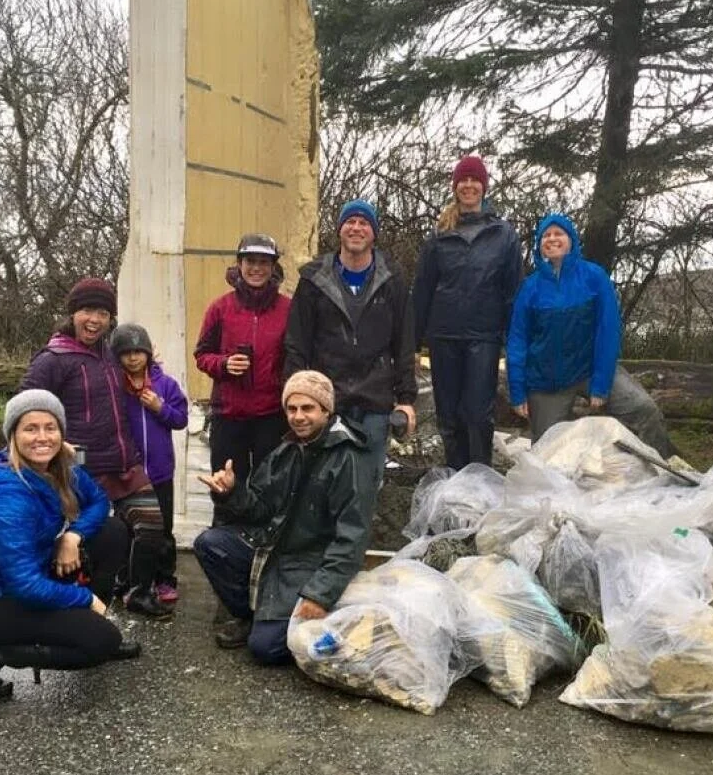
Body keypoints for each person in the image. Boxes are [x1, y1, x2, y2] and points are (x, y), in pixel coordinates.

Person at [0, 390, 141, 700]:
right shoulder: (8, 498)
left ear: (62, 433)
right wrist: (82, 598)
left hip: (27, 578)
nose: (42, 437)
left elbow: (98, 500)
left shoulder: (57, 469)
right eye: (30, 428)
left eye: (50, 428)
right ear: (13, 436)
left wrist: (72, 536)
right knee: (100, 642)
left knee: (112, 531)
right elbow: (25, 585)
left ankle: (89, 622)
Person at [194, 370, 376, 661]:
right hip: (275, 551)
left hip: (311, 563)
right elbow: (259, 509)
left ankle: (321, 616)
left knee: (265, 649)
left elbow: (351, 539)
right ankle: (251, 616)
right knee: (210, 543)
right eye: (292, 409)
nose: (298, 416)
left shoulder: (348, 458)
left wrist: (320, 594)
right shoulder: (287, 450)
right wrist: (230, 492)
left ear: (326, 411)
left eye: (308, 408)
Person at [20, 277, 171, 618]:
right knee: (103, 540)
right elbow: (26, 406)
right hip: (83, 469)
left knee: (151, 526)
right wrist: (52, 446)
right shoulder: (53, 358)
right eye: (88, 310)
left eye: (103, 313)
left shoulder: (110, 353)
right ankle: (90, 609)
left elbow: (143, 365)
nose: (95, 320)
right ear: (73, 313)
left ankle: (139, 592)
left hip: (124, 462)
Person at [506, 212, 678, 458]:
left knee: (643, 409)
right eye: (546, 235)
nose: (552, 239)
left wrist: (600, 385)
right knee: (546, 453)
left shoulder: (594, 277)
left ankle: (667, 465)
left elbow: (608, 331)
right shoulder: (530, 288)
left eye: (559, 234)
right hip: (547, 381)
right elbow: (518, 340)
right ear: (540, 246)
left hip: (590, 369)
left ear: (572, 240)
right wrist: (518, 390)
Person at [284, 198, 417, 487]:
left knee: (366, 485)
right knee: (322, 484)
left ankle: (359, 534)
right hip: (327, 399)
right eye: (350, 222)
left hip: (375, 400)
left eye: (364, 223)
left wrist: (406, 400)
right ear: (340, 229)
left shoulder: (392, 280)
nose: (356, 228)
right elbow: (296, 343)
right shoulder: (313, 280)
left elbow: (404, 344)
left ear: (374, 232)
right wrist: (295, 396)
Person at [412, 156, 524, 470]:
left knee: (477, 413)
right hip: (443, 335)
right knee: (448, 414)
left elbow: (513, 292)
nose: (469, 185)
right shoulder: (439, 236)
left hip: (483, 337)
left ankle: (480, 478)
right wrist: (411, 345)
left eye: (475, 180)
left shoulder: (503, 234)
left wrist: (511, 340)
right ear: (456, 186)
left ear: (484, 187)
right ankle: (455, 478)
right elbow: (422, 291)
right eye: (464, 180)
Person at [194, 233, 292, 517]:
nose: (256, 268)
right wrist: (224, 364)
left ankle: (262, 548)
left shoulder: (288, 309)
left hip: (272, 416)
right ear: (239, 264)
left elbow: (297, 357)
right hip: (229, 415)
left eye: (264, 262)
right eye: (250, 261)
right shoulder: (220, 308)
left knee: (270, 489)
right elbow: (201, 355)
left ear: (273, 267)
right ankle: (222, 544)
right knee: (225, 486)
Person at [111, 323, 190, 604]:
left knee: (163, 530)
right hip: (129, 473)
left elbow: (180, 420)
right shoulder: (114, 387)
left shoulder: (165, 384)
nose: (133, 358)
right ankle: (130, 580)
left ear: (147, 352)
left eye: (138, 351)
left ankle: (165, 579)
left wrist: (160, 407)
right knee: (130, 530)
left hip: (159, 472)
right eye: (126, 353)